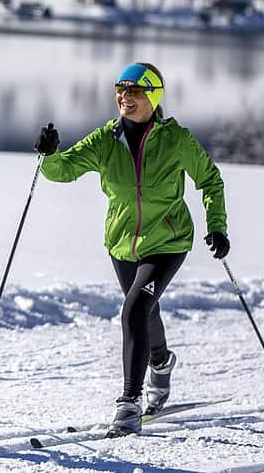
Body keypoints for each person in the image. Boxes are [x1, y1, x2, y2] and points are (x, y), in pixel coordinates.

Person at [35, 62, 229, 438]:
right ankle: (161, 362)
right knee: (144, 309)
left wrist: (217, 227)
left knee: (135, 309)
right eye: (120, 90)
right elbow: (64, 171)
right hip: (123, 244)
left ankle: (129, 403)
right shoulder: (105, 140)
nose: (125, 97)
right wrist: (50, 154)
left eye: (135, 91)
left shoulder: (176, 140)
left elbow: (210, 180)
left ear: (153, 97)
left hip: (168, 243)